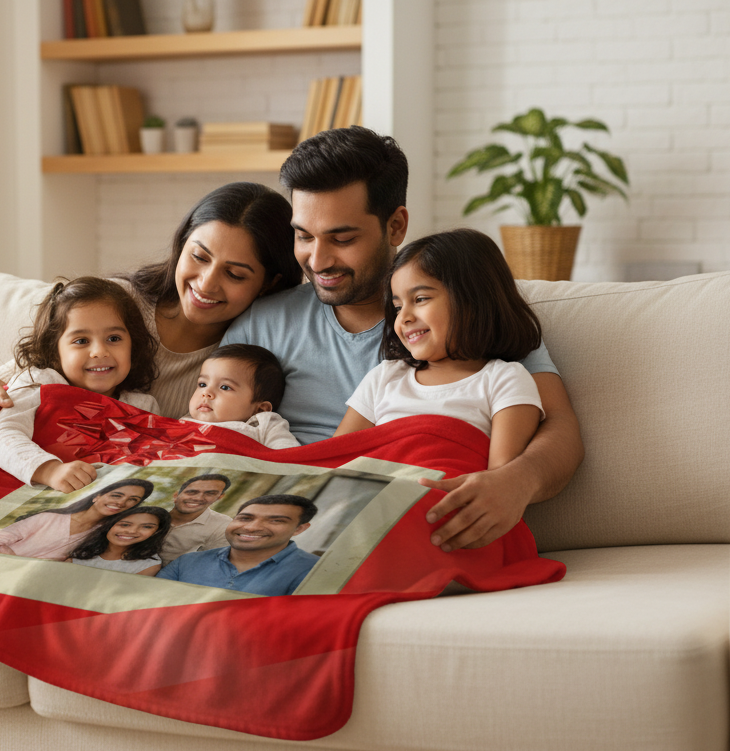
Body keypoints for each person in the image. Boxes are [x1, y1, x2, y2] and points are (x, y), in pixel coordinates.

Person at [222, 126, 584, 552]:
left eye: (342, 238)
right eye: (303, 236)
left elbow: (560, 427)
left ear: (395, 225)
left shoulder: (473, 319)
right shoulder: (260, 323)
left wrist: (515, 482)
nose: (317, 260)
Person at [0, 181, 303, 436]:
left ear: (270, 283)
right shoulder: (117, 303)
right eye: (198, 256)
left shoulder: (245, 359)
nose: (207, 283)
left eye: (235, 274)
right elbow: (16, 377)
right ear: (181, 245)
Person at [334, 229, 545, 470]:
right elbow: (334, 459)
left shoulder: (505, 380)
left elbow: (497, 483)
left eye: (421, 299)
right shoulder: (385, 377)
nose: (404, 318)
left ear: (473, 300)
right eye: (397, 306)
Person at [0, 277, 159, 492]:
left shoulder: (143, 407)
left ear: (134, 345)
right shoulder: (41, 382)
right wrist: (50, 470)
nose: (99, 352)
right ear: (55, 353)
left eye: (113, 338)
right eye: (81, 341)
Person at [157, 495, 319, 596]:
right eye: (245, 518)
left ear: (299, 528)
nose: (251, 527)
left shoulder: (316, 571)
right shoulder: (188, 561)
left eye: (276, 520)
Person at [0, 479, 154, 561]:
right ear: (97, 496)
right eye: (116, 495)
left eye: (132, 500)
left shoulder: (106, 537)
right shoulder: (48, 518)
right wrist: (14, 564)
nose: (122, 502)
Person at [181, 343, 299, 449]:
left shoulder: (263, 425)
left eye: (225, 387)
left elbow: (289, 455)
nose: (206, 393)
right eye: (202, 384)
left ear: (260, 409)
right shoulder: (184, 423)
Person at [65, 506, 172, 576]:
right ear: (109, 525)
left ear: (156, 532)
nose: (131, 531)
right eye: (124, 524)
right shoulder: (83, 550)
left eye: (147, 527)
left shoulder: (149, 565)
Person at [158, 473, 233, 566]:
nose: (198, 498)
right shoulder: (152, 513)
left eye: (210, 493)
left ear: (219, 497)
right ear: (176, 495)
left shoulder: (223, 526)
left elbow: (211, 564)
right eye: (192, 492)